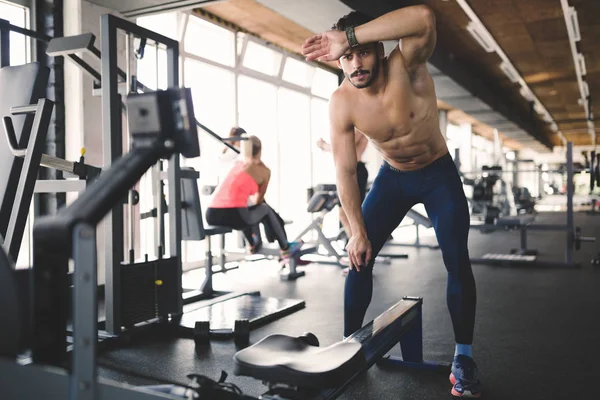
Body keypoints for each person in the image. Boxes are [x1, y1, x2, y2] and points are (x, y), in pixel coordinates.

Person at [302, 7, 481, 398]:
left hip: (437, 174)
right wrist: (356, 232)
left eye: (363, 51)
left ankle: (463, 358)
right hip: (392, 178)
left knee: (456, 258)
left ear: (379, 50)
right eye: (348, 56)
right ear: (339, 62)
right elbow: (346, 172)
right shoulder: (341, 102)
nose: (356, 62)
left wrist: (347, 37)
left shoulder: (408, 64)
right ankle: (348, 347)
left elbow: (424, 17)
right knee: (359, 257)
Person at [206, 134, 302, 259]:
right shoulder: (264, 171)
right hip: (233, 215)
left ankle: (252, 245)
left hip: (211, 214)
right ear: (260, 150)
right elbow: (258, 201)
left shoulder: (237, 165)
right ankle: (285, 247)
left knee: (244, 206)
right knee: (264, 209)